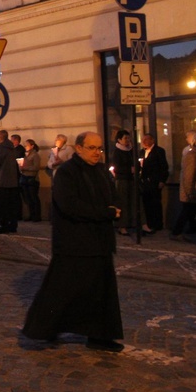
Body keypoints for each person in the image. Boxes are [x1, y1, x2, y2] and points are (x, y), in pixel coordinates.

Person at [23, 131, 124, 352]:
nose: (97, 152)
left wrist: (114, 209)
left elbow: (111, 196)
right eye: (92, 148)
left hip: (100, 242)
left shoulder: (101, 170)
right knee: (61, 291)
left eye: (99, 148)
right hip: (74, 243)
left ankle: (100, 336)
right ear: (78, 148)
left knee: (101, 292)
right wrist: (105, 213)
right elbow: (70, 206)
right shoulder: (67, 173)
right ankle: (43, 329)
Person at [171, 132, 196, 241]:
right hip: (191, 190)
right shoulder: (192, 155)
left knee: (191, 212)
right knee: (187, 211)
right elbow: (189, 176)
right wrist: (190, 192)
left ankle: (194, 229)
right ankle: (176, 232)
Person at [0, 130, 19, 233]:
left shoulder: (1, 149)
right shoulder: (11, 148)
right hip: (12, 180)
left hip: (2, 180)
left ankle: (4, 225)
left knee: (2, 205)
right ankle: (13, 225)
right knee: (12, 205)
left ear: (0, 137)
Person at [140, 133, 169, 233]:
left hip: (155, 182)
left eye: (146, 140)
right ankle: (148, 223)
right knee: (146, 203)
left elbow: (164, 167)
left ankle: (157, 224)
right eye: (143, 140)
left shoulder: (159, 151)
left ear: (152, 140)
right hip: (144, 183)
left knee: (155, 203)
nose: (144, 142)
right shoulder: (141, 152)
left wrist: (162, 180)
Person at [111, 130, 135, 236]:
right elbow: (117, 168)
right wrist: (129, 170)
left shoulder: (130, 150)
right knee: (122, 202)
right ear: (119, 140)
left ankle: (134, 223)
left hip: (131, 179)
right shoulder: (117, 152)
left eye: (128, 138)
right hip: (122, 179)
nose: (128, 140)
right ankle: (122, 226)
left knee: (133, 201)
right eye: (125, 138)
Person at [20, 139, 42, 222]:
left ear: (32, 146)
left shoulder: (35, 155)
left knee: (33, 197)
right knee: (27, 198)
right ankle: (31, 214)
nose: (25, 147)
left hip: (32, 178)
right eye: (25, 145)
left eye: (27, 145)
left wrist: (25, 168)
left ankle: (37, 216)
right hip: (25, 177)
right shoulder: (25, 155)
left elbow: (36, 167)